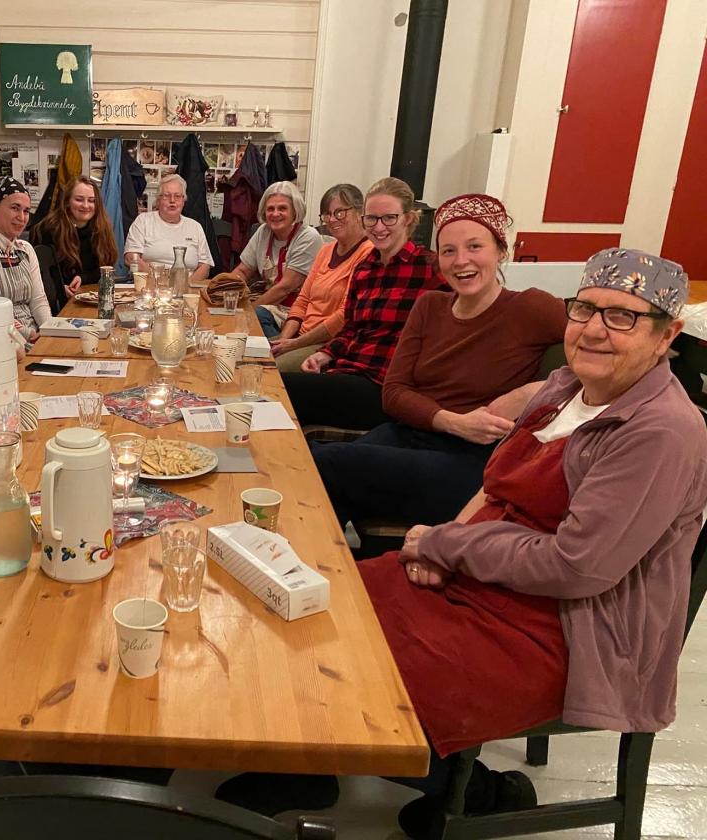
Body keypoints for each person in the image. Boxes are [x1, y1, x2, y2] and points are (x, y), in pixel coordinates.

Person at [219, 249, 707, 838]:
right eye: (585, 309)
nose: (595, 329)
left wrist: (450, 549)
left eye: (623, 316)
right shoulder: (564, 386)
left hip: (571, 627)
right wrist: (445, 541)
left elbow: (577, 566)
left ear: (667, 335)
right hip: (491, 577)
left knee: (365, 664)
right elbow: (493, 483)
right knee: (320, 606)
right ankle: (313, 763)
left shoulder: (660, 430)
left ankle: (468, 789)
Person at [311, 193, 567, 530]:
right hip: (412, 434)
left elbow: (611, 356)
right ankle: (329, 557)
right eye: (448, 251)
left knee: (324, 462)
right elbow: (394, 393)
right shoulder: (430, 306)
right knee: (315, 470)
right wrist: (454, 422)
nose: (461, 261)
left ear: (501, 251)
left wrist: (534, 391)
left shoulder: (531, 307)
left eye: (474, 247)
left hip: (474, 461)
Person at [281, 177, 447, 431]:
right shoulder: (365, 268)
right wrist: (325, 354)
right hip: (347, 372)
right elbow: (351, 327)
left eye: (389, 218)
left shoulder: (431, 268)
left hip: (384, 387)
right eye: (371, 218)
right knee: (281, 409)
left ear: (408, 219)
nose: (378, 227)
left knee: (277, 389)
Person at [270, 184, 373, 372]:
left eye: (340, 212)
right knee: (247, 353)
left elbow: (343, 316)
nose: (332, 219)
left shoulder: (368, 254)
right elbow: (303, 300)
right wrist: (284, 339)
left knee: (271, 370)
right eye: (327, 214)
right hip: (300, 336)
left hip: (328, 344)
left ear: (360, 212)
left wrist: (294, 344)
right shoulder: (325, 250)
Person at [212, 181, 324, 339]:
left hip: (296, 311)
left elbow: (284, 288)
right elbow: (243, 270)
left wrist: (249, 312)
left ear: (295, 211)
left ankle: (278, 352)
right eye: (270, 209)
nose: (275, 214)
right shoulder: (263, 232)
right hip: (271, 305)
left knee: (256, 317)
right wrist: (224, 291)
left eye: (282, 208)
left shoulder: (308, 237)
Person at [0, 176, 52, 339]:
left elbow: (38, 300)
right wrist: (29, 335)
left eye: (26, 211)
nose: (22, 217)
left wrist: (50, 330)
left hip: (37, 334)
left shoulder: (26, 249)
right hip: (3, 337)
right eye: (15, 208)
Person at [30, 175, 119, 311]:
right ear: (67, 201)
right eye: (79, 199)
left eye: (91, 201)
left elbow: (106, 267)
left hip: (90, 299)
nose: (86, 205)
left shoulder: (102, 228)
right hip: (53, 305)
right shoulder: (47, 229)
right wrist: (57, 288)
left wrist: (82, 278)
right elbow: (36, 272)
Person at [123, 174, 213, 282]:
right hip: (149, 285)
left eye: (177, 196)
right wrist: (161, 281)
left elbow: (205, 265)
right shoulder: (143, 221)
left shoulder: (195, 227)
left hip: (186, 287)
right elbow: (131, 258)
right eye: (166, 195)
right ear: (158, 200)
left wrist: (187, 286)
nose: (172, 200)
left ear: (184, 200)